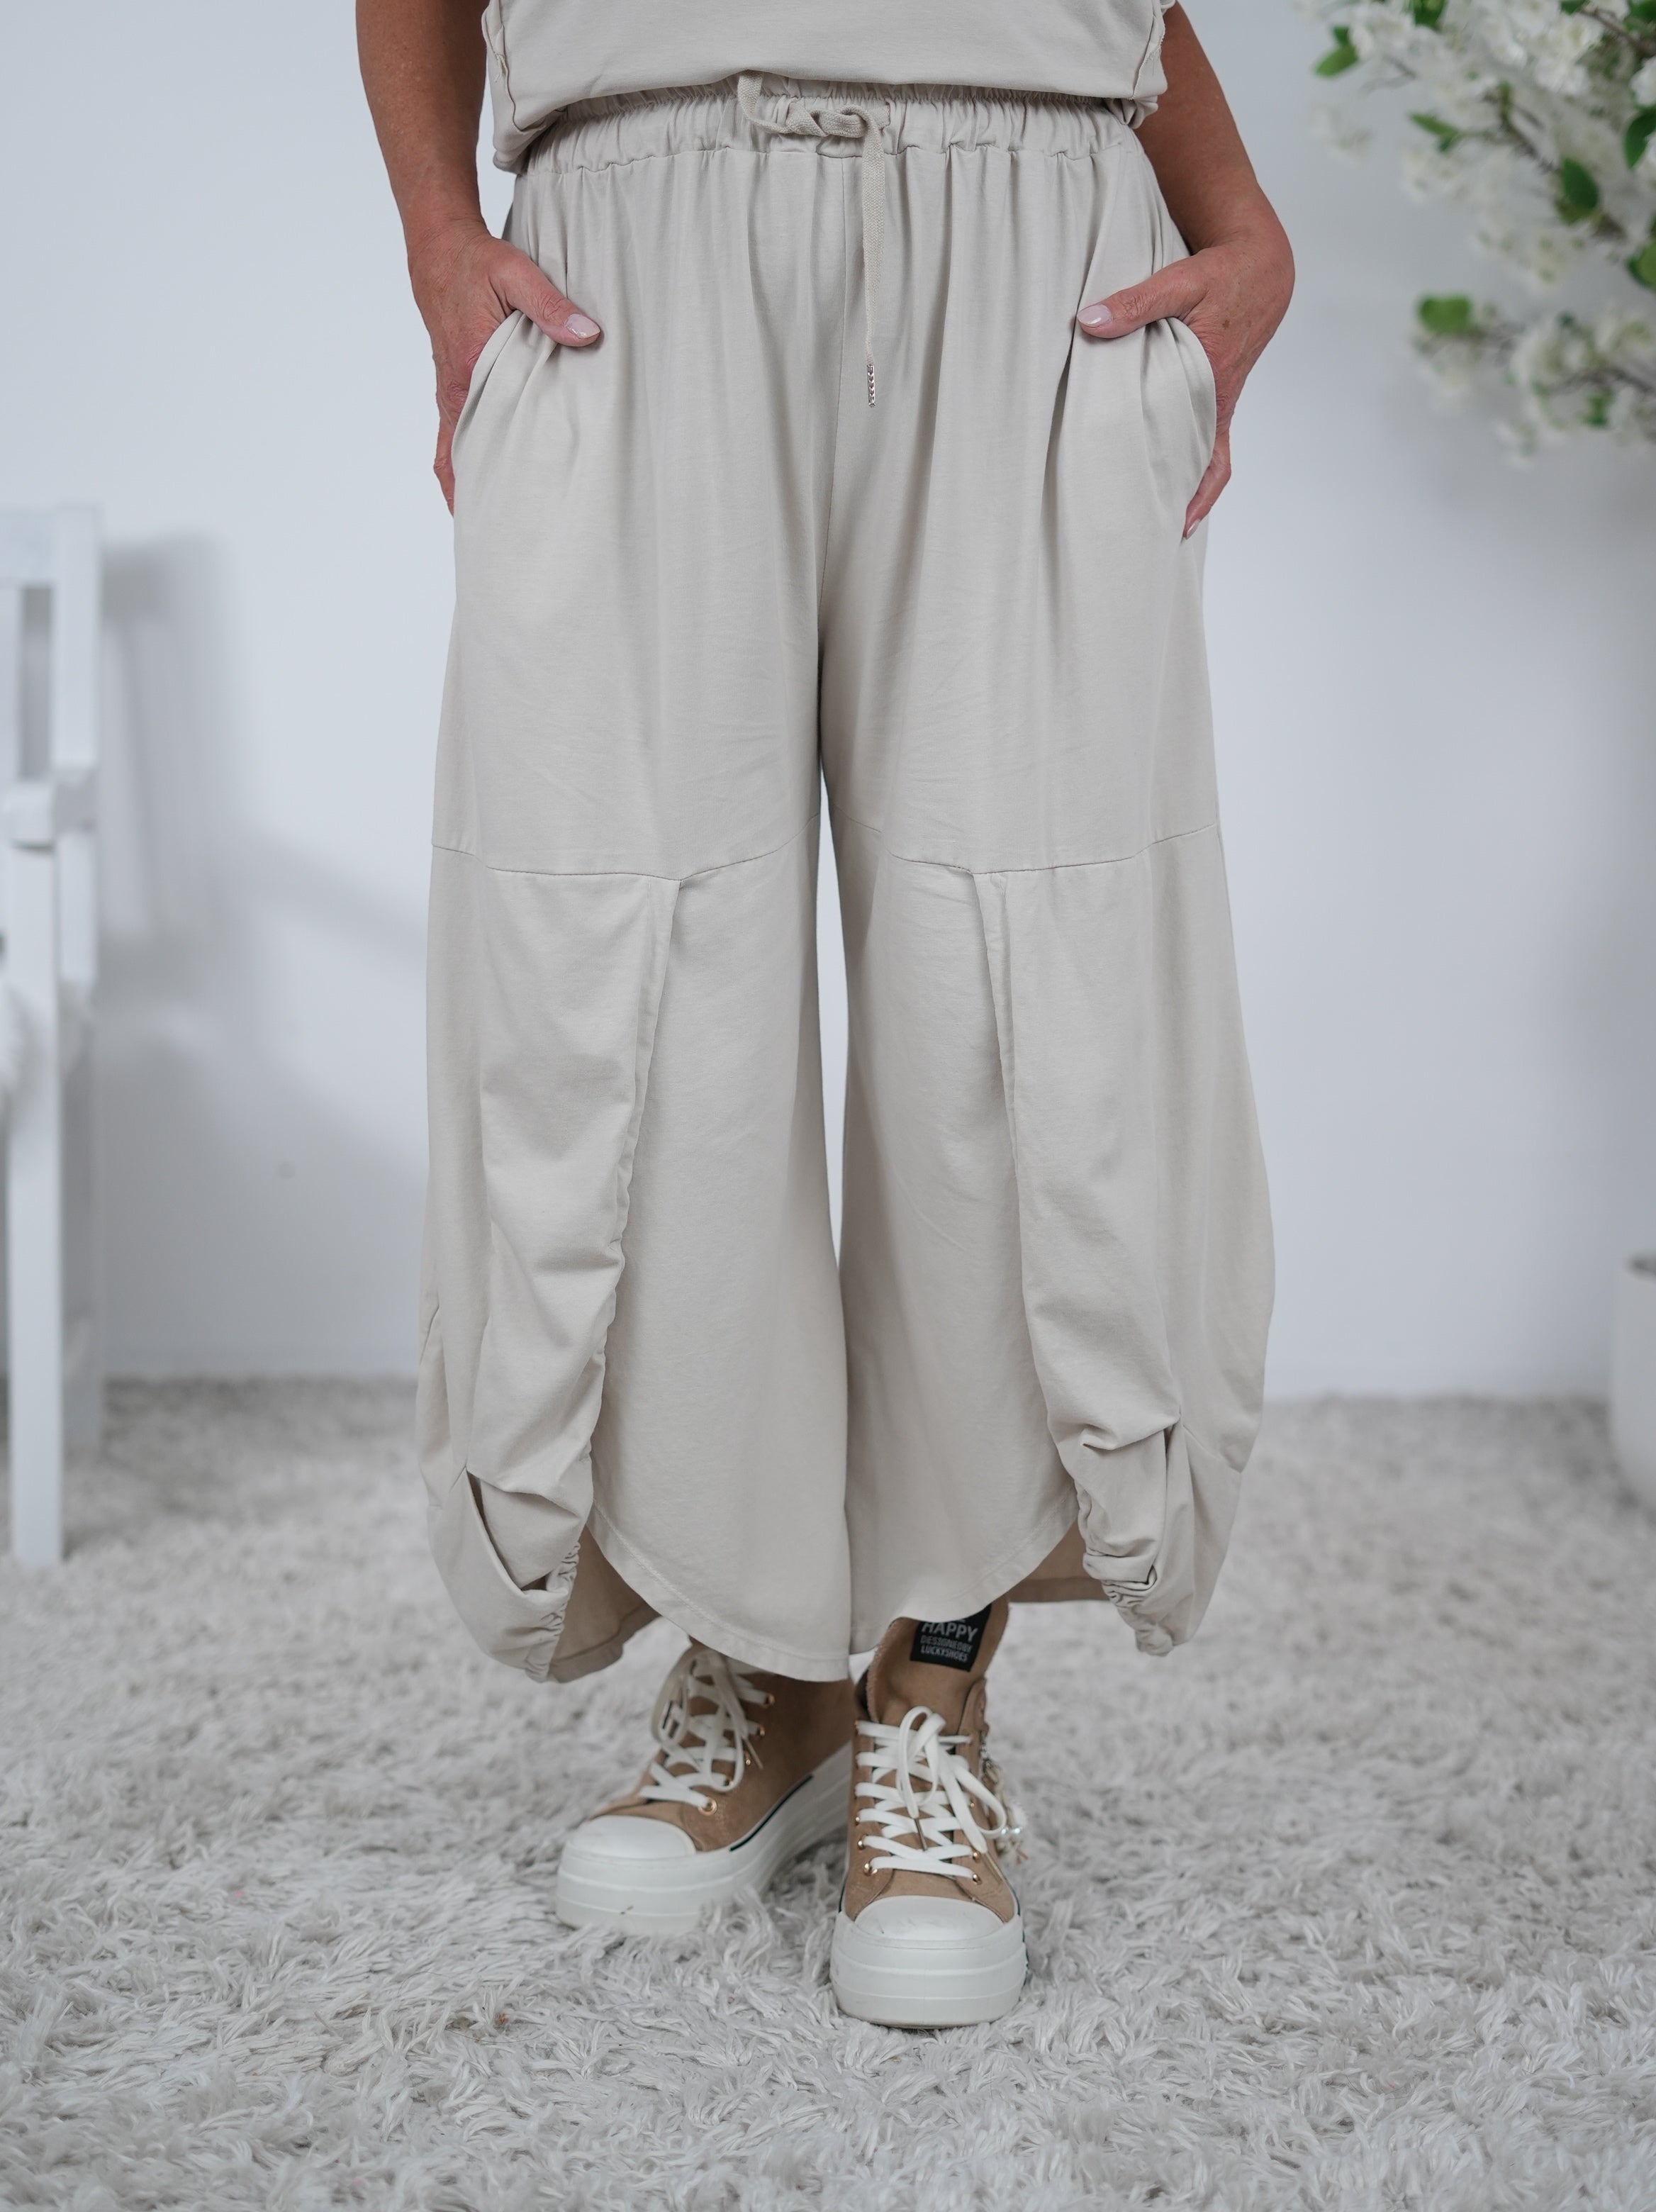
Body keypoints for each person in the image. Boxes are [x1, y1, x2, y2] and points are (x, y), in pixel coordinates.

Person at [359, 0, 1288, 2028]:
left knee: (1013, 977)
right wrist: (438, 233)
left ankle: (929, 1676)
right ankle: (763, 1653)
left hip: (1036, 228)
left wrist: (1239, 217)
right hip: (626, 232)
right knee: (635, 975)